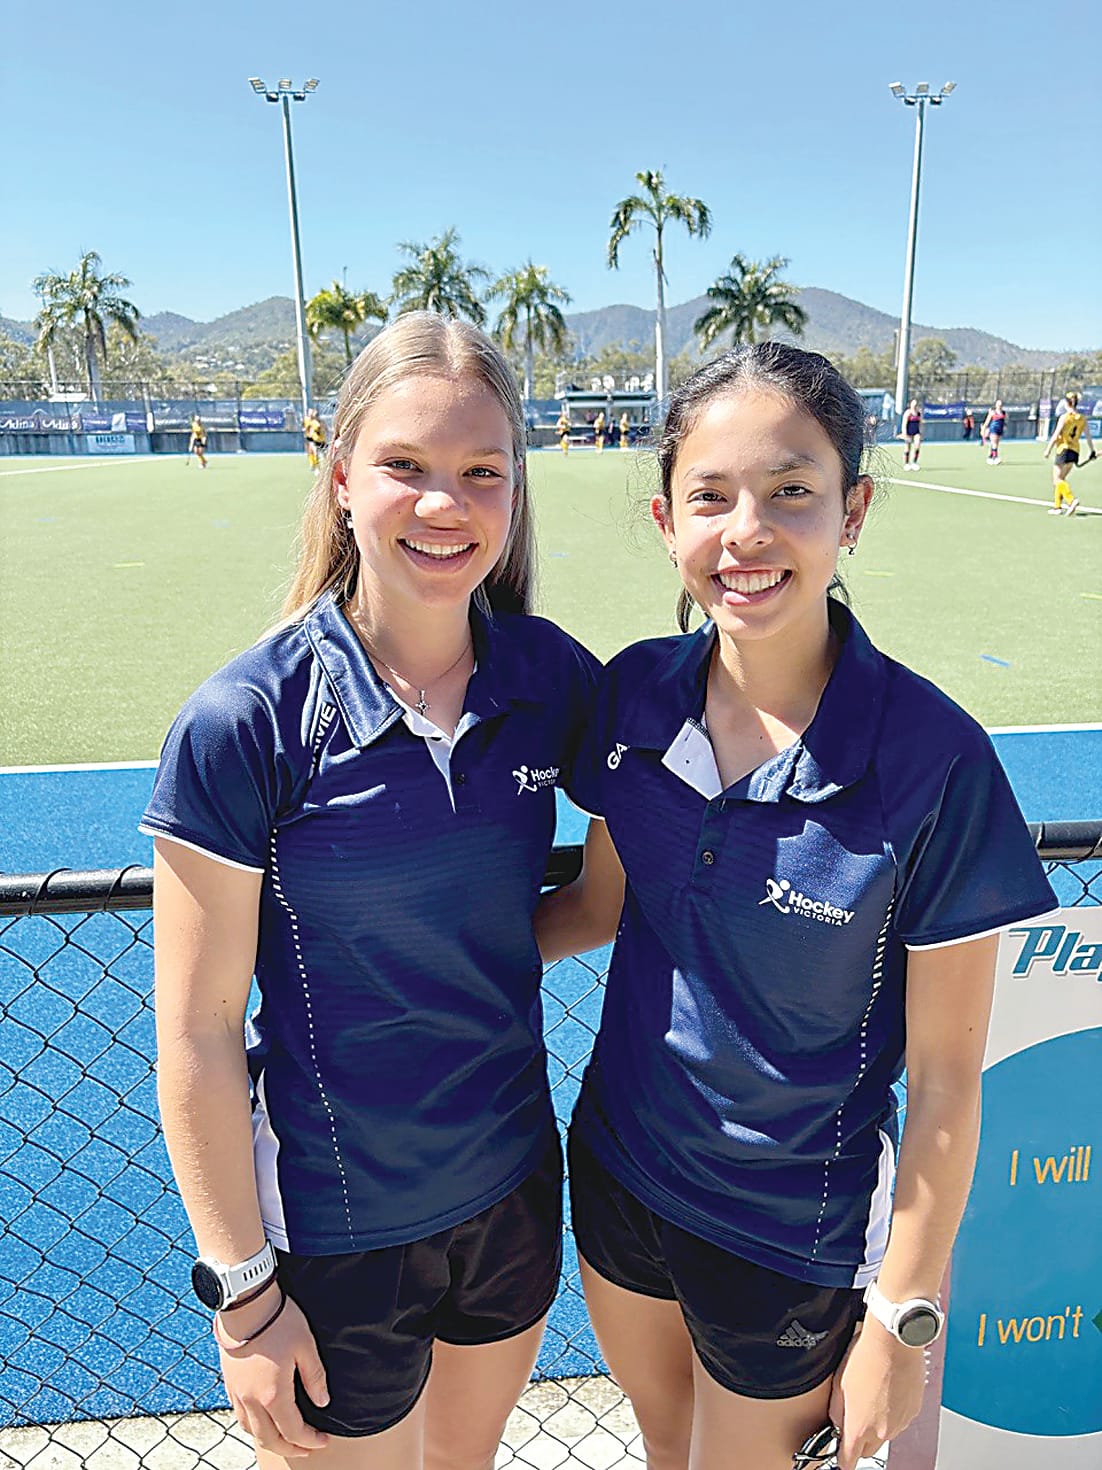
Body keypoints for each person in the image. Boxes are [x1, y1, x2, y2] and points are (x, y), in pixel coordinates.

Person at [536, 342, 1057, 1470]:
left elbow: (949, 1083)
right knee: (664, 1448)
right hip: (618, 1172)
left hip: (789, 1234)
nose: (747, 533)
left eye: (791, 493)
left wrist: (900, 1321)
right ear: (666, 515)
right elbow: (593, 905)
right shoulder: (631, 695)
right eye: (710, 496)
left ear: (851, 511)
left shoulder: (935, 764)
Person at [142, 312, 599, 1469]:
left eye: (479, 472)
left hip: (509, 1198)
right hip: (334, 1235)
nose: (444, 504)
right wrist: (244, 1298)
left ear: (512, 491)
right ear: (342, 477)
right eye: (405, 467)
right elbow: (194, 1036)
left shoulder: (551, 679)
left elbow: (604, 891)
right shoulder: (243, 722)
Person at [1043, 390, 1095, 515]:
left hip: (1063, 449)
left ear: (1067, 403)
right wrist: (1092, 451)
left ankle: (1071, 501)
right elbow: (1088, 436)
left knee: (1057, 479)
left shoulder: (1064, 417)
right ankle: (1057, 507)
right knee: (1061, 479)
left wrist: (1048, 449)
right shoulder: (1082, 418)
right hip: (1075, 451)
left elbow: (1056, 435)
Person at [981, 400, 1007, 464]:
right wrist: (983, 430)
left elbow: (1004, 421)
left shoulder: (1003, 412)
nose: (1000, 406)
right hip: (993, 429)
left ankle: (990, 456)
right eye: (998, 405)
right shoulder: (993, 412)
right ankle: (995, 457)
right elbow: (986, 422)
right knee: (994, 443)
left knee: (994, 444)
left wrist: (1005, 426)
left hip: (999, 429)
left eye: (1001, 405)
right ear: (996, 405)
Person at [901, 399, 922, 470]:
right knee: (907, 448)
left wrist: (921, 431)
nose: (915, 405)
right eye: (913, 404)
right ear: (911, 404)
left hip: (916, 432)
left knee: (917, 446)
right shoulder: (908, 413)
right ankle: (906, 464)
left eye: (916, 404)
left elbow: (920, 423)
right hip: (909, 432)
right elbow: (904, 424)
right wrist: (904, 434)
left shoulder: (918, 413)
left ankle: (914, 463)